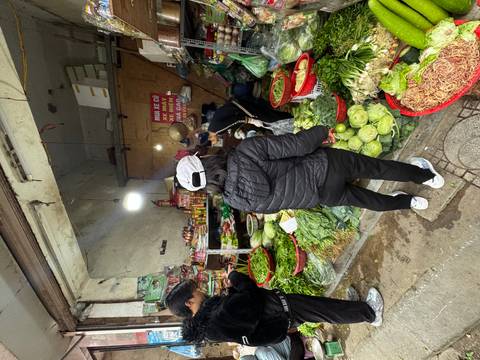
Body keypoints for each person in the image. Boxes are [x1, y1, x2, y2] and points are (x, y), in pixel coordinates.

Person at [175, 125, 444, 213]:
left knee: (366, 200)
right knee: (377, 168)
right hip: (325, 166)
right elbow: (297, 145)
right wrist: (320, 131)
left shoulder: (234, 201)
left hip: (321, 196)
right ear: (207, 159)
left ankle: (409, 202)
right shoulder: (245, 152)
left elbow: (276, 205)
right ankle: (427, 176)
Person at [165, 268, 383, 346]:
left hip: (278, 312)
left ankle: (355, 308)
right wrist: (235, 278)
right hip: (280, 311)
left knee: (322, 308)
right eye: (196, 291)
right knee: (324, 310)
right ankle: (370, 313)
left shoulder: (209, 324)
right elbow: (250, 297)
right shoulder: (215, 319)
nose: (201, 290)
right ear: (189, 302)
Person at [206, 97, 292, 145]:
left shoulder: (216, 130)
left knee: (268, 119)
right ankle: (287, 118)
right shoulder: (214, 129)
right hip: (236, 106)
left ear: (210, 137)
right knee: (266, 117)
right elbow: (231, 123)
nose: (214, 143)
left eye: (212, 141)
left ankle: (290, 119)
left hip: (239, 107)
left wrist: (252, 121)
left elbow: (237, 120)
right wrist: (237, 131)